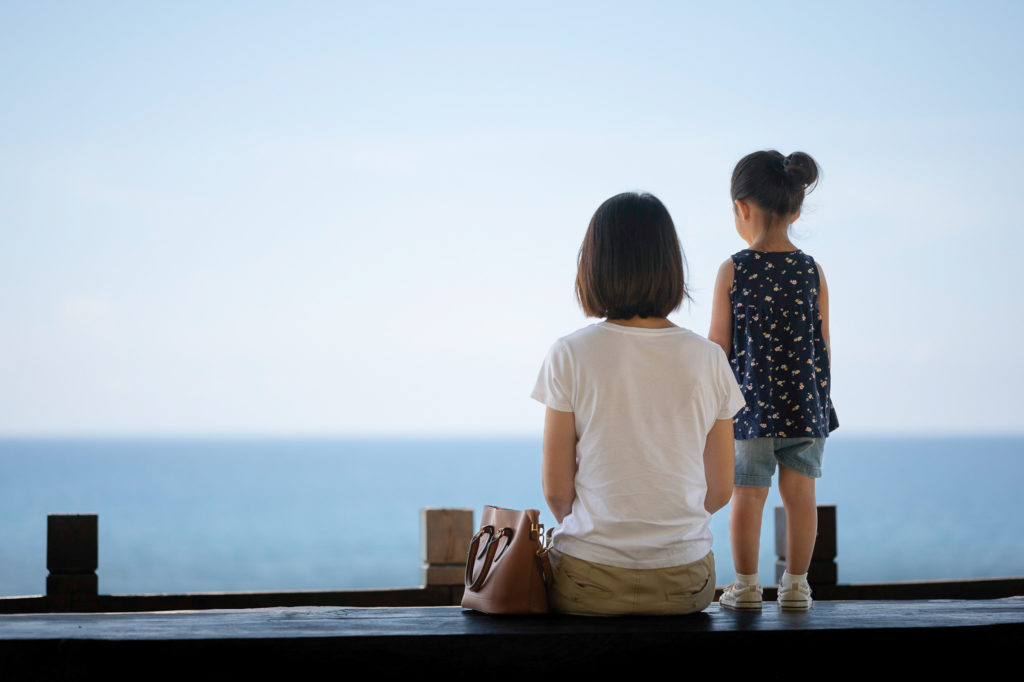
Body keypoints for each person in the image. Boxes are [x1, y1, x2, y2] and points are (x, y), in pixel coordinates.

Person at [531, 192, 747, 616]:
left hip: (586, 581)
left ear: (594, 265)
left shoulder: (569, 353)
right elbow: (720, 490)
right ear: (670, 264)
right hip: (685, 581)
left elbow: (557, 491)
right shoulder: (709, 359)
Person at [708, 150, 837, 611]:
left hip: (751, 409)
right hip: (806, 406)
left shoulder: (734, 269)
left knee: (748, 495)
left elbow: (716, 350)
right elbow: (822, 344)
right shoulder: (811, 271)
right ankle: (797, 586)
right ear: (796, 209)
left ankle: (744, 587)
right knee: (802, 496)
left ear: (742, 207)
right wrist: (821, 405)